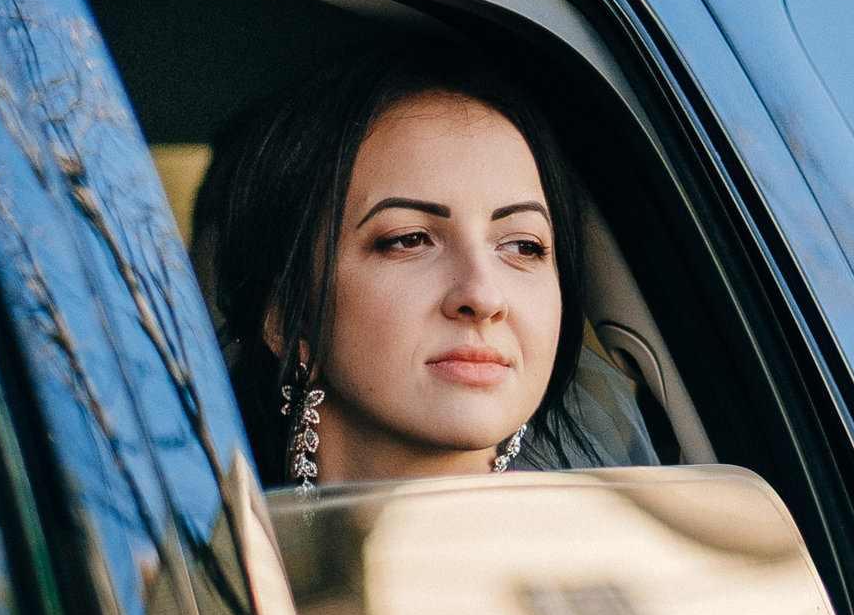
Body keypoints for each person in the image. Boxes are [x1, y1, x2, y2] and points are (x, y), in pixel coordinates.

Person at [193, 36, 602, 488]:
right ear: (288, 318)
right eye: (409, 239)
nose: (483, 297)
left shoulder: (624, 552)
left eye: (523, 246)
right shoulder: (169, 552)